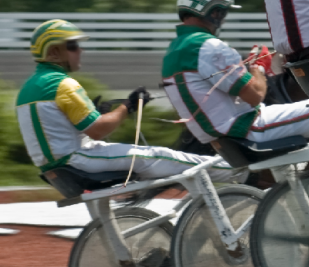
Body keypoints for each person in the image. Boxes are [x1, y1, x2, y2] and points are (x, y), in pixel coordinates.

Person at [15, 19, 240, 181]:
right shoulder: (62, 84)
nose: (80, 50)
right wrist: (128, 106)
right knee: (159, 156)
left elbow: (58, 130)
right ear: (54, 52)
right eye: (72, 46)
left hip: (56, 165)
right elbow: (98, 130)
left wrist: (97, 112)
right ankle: (240, 172)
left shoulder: (29, 88)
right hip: (78, 160)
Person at [162, 0, 309, 146]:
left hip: (222, 136)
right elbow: (256, 95)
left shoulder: (173, 51)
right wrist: (258, 68)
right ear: (215, 11)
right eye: (223, 11)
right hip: (251, 129)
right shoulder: (209, 46)